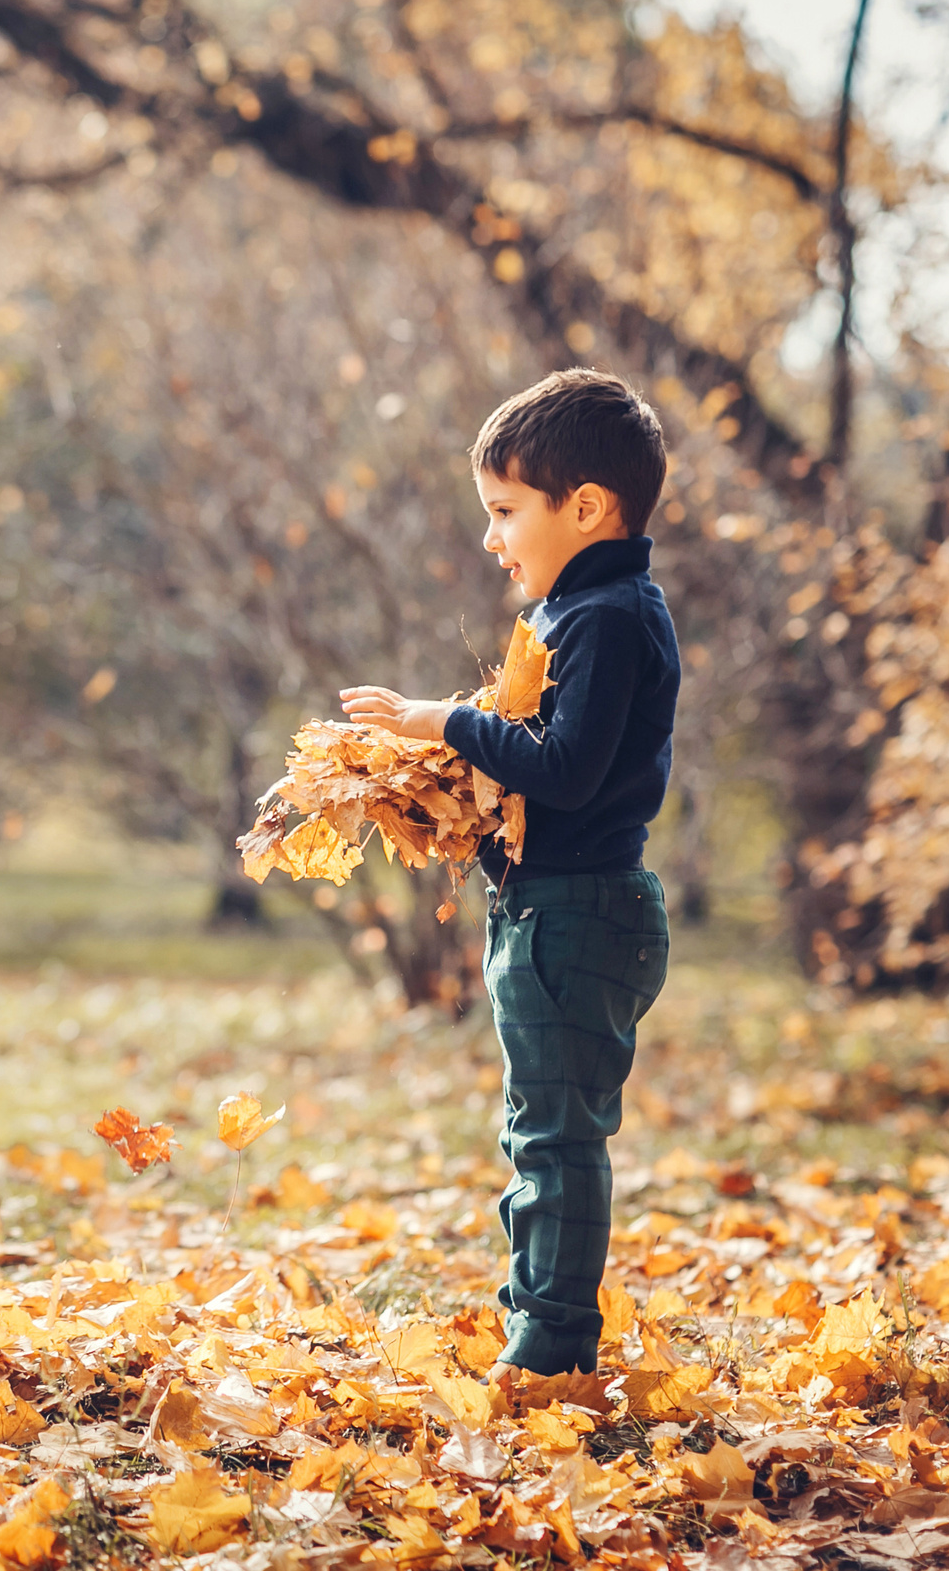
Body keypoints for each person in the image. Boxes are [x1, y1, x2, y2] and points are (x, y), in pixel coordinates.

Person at [339, 369, 679, 1386]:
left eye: (504, 510)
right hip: (550, 909)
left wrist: (446, 722)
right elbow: (543, 757)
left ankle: (550, 1353)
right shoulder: (579, 611)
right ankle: (535, 1322)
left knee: (556, 1141)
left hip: (577, 915)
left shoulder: (607, 616)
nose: (492, 537)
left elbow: (566, 768)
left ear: (587, 507)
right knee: (539, 1133)